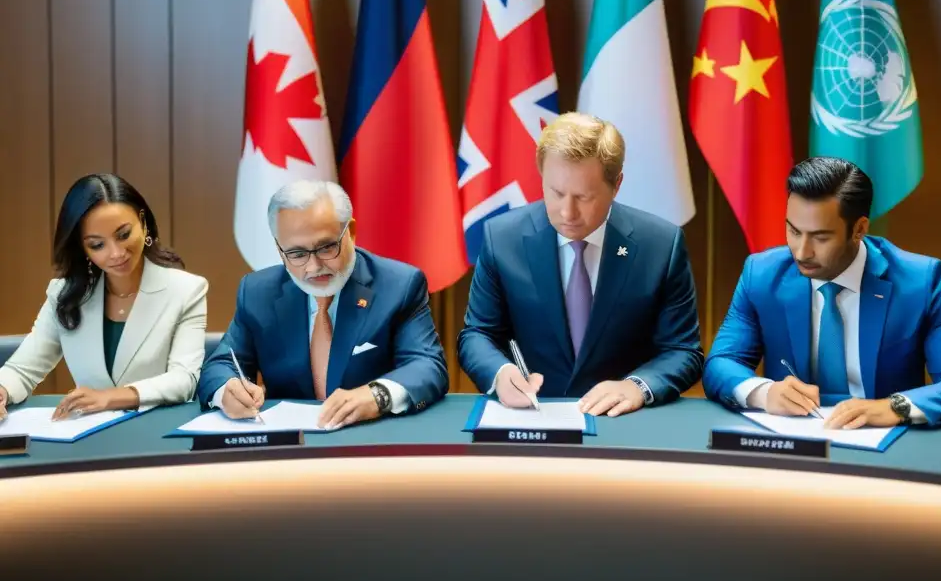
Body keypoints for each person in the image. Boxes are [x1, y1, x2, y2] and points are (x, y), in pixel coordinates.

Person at [703, 156, 941, 428]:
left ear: (859, 229)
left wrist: (893, 408)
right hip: (795, 447)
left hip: (887, 449)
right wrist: (764, 393)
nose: (802, 251)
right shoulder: (762, 274)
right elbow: (721, 363)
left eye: (820, 237)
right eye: (793, 231)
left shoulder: (920, 282)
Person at [457, 112, 703, 417]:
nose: (567, 212)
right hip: (531, 418)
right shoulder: (503, 238)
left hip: (623, 422)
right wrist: (500, 372)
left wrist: (638, 386)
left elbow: (683, 350)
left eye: (583, 197)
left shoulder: (661, 246)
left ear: (616, 186)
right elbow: (477, 334)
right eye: (556, 193)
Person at [198, 180, 448, 429]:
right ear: (279, 248)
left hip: (372, 441)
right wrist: (226, 389)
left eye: (326, 247)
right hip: (288, 447)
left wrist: (377, 395)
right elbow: (222, 364)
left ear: (350, 232)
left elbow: (427, 366)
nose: (313, 267)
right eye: (297, 254)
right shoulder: (257, 293)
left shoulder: (398, 285)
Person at [0, 174, 208, 423]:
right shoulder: (64, 294)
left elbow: (184, 379)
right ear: (83, 248)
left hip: (158, 431)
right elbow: (22, 370)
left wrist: (110, 397)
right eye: (98, 245)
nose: (117, 253)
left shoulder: (186, 290)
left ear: (143, 222)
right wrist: (3, 390)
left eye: (123, 234)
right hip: (86, 437)